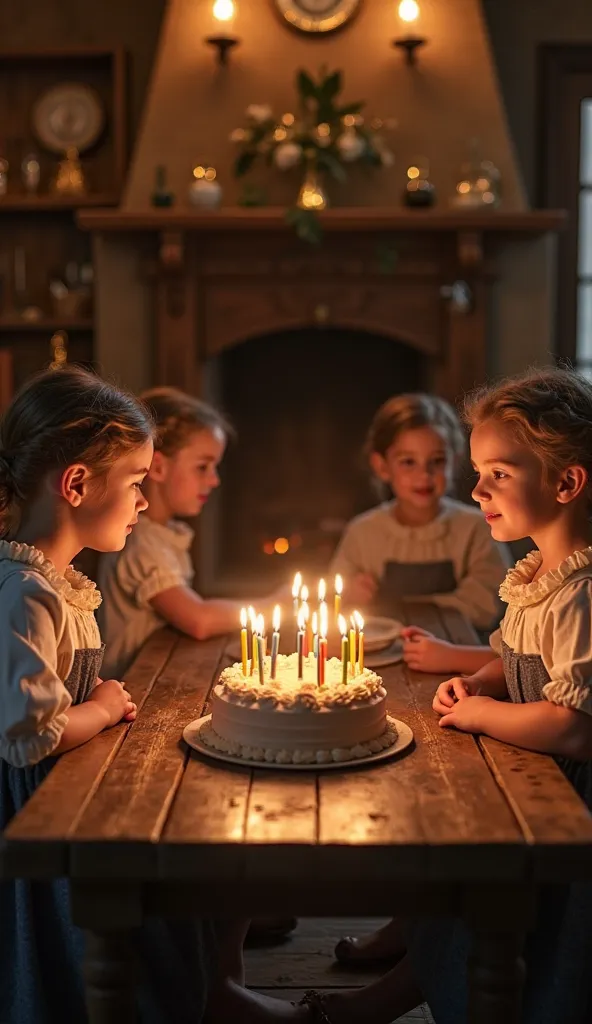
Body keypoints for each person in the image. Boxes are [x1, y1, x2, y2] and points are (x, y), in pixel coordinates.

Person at [0, 366, 309, 1024]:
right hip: (38, 819)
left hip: (71, 789)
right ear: (77, 484)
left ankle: (206, 988)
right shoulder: (26, 594)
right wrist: (106, 707)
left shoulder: (56, 583)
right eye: (137, 482)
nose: (144, 499)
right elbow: (29, 732)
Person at [303, 367, 592, 1024]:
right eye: (479, 471)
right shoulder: (539, 575)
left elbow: (575, 726)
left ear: (567, 482)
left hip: (568, 807)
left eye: (498, 473)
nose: (475, 488)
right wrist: (483, 679)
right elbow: (522, 658)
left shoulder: (581, 592)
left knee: (491, 909)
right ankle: (390, 987)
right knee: (450, 882)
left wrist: (480, 712)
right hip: (532, 776)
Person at [332, 392, 510, 966]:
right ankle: (406, 921)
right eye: (408, 461)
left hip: (454, 662)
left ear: (455, 463)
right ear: (382, 466)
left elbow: (483, 599)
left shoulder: (472, 527)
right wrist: (358, 596)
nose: (424, 474)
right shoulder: (365, 531)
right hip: (384, 662)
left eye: (436, 461)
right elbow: (340, 594)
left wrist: (409, 601)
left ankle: (414, 923)